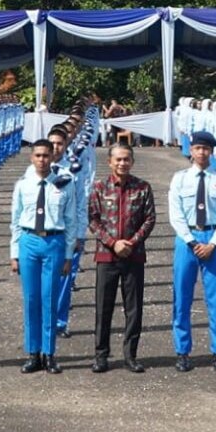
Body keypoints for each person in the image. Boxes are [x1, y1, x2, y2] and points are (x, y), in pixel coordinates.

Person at [10, 139, 83, 373]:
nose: (42, 159)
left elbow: (71, 220)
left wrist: (69, 255)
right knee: (31, 299)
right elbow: (15, 221)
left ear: (53, 157)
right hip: (29, 242)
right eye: (38, 155)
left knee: (49, 298)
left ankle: (49, 353)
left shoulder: (65, 183)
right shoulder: (23, 184)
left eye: (46, 155)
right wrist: (14, 253)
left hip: (54, 242)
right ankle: (33, 353)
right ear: (31, 158)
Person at [167, 131, 216, 372]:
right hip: (187, 240)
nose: (202, 152)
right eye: (197, 148)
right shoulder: (180, 179)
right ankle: (182, 351)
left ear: (212, 151)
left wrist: (213, 243)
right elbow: (175, 215)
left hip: (213, 239)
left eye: (206, 149)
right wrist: (191, 241)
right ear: (191, 151)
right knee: (182, 297)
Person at [88, 142, 155, 373]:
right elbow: (93, 220)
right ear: (109, 162)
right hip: (107, 256)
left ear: (132, 161)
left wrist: (132, 243)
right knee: (103, 308)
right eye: (118, 159)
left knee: (133, 309)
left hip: (134, 256)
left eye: (126, 159)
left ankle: (130, 355)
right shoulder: (99, 187)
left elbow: (149, 219)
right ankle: (101, 355)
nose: (122, 163)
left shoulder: (143, 188)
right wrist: (113, 243)